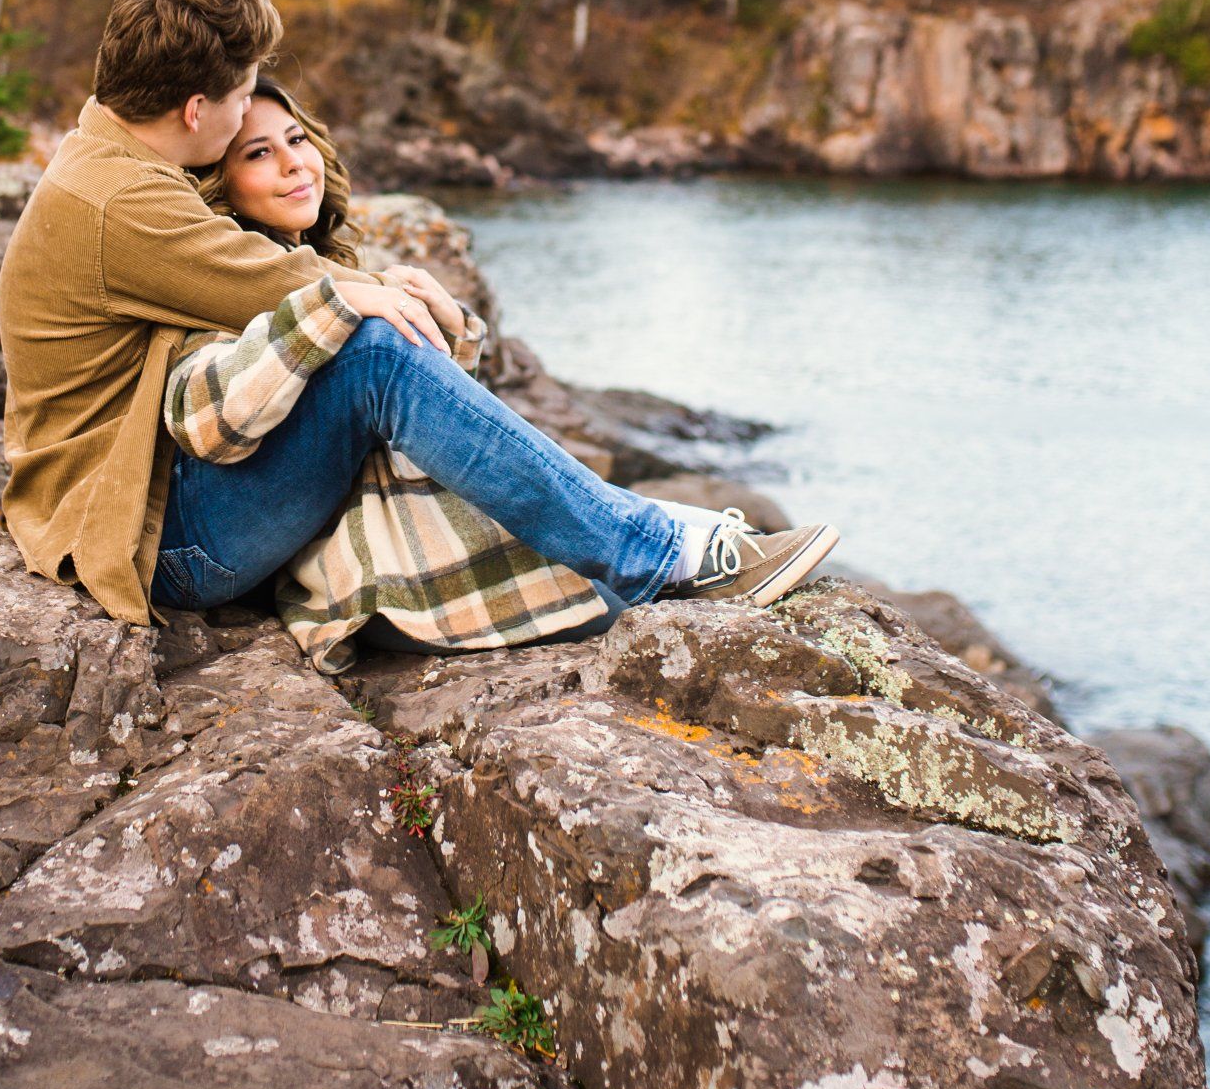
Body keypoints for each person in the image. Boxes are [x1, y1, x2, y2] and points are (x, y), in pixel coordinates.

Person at [0, 0, 836, 647]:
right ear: (195, 110)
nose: (274, 136)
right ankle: (657, 555)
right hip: (152, 537)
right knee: (369, 350)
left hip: (170, 492)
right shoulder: (122, 202)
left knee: (378, 362)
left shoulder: (107, 163)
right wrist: (375, 292)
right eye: (246, 91)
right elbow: (278, 283)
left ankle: (641, 553)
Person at [160, 75, 839, 668]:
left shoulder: (320, 266)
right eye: (258, 153)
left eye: (296, 139)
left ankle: (677, 546)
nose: (292, 164)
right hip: (197, 546)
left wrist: (442, 338)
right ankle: (662, 550)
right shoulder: (212, 267)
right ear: (220, 182)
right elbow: (202, 418)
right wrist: (339, 310)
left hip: (292, 534)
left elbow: (377, 428)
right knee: (376, 350)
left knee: (591, 586)